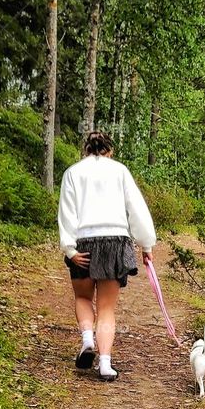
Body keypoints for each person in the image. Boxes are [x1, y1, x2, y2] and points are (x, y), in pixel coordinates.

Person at [57, 130, 157, 381]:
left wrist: (69, 249)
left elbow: (66, 211)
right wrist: (146, 245)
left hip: (83, 243)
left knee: (82, 297)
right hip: (115, 241)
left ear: (85, 150)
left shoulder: (72, 173)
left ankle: (87, 340)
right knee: (106, 308)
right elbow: (136, 208)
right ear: (109, 151)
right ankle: (104, 364)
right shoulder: (120, 171)